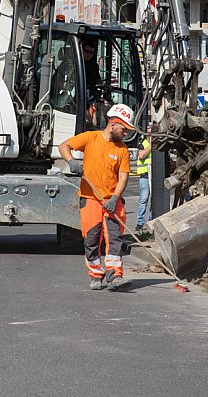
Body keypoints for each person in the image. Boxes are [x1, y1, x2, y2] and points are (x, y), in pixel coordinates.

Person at [59, 103, 134, 291]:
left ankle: (115, 275)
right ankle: (96, 275)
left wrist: (115, 199)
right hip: (90, 198)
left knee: (115, 239)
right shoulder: (90, 138)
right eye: (124, 129)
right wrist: (71, 162)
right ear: (113, 124)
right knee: (91, 239)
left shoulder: (122, 150)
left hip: (112, 201)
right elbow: (64, 145)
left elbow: (123, 177)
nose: (125, 134)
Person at [135, 128, 152, 233]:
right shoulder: (143, 143)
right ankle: (140, 223)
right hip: (145, 175)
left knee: (154, 199)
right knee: (143, 199)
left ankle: (151, 221)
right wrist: (151, 146)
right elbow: (141, 155)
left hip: (153, 175)